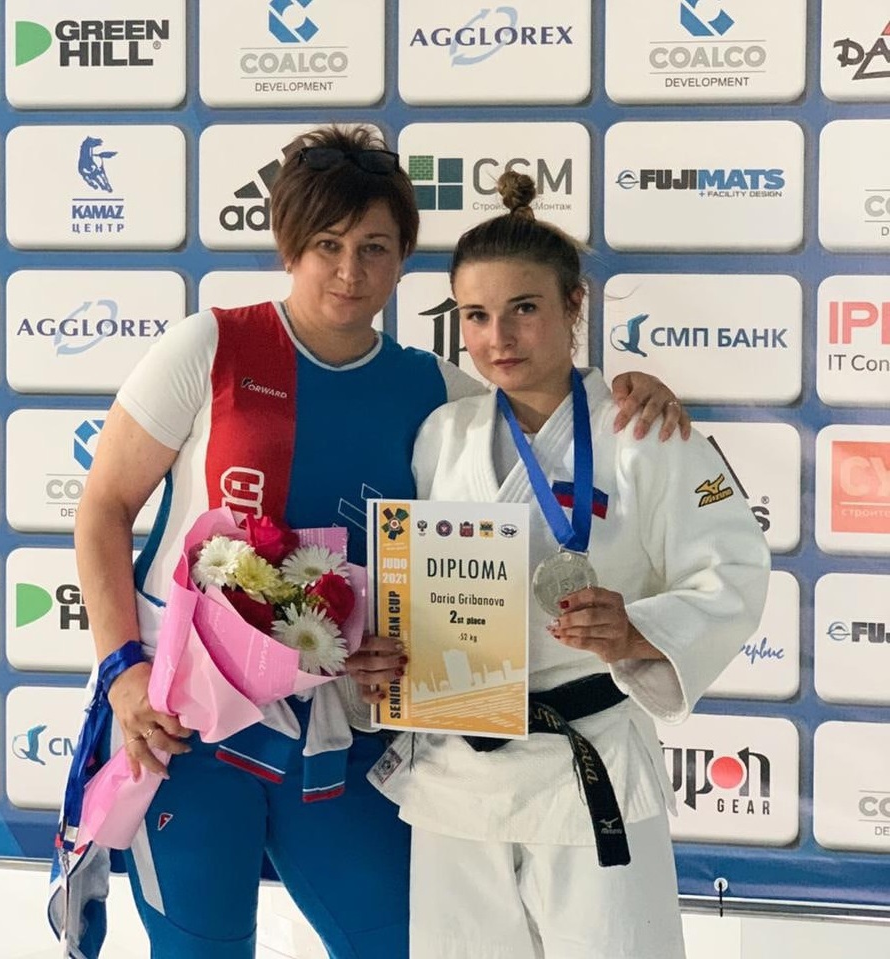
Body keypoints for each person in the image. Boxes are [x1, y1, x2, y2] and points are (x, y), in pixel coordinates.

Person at [56, 126, 691, 959]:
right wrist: (123, 673)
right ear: (289, 244)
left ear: (402, 260)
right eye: (327, 244)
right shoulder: (210, 345)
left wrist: (631, 393)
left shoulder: (438, 391)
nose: (349, 271)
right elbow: (103, 507)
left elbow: (549, 415)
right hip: (187, 731)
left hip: (348, 739)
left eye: (374, 248)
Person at [357, 171, 771, 959]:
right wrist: (385, 657)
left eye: (524, 308)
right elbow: (411, 585)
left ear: (574, 305)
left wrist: (634, 629)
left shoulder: (644, 431)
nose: (498, 337)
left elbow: (733, 571)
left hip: (590, 758)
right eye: (475, 315)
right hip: (458, 768)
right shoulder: (442, 434)